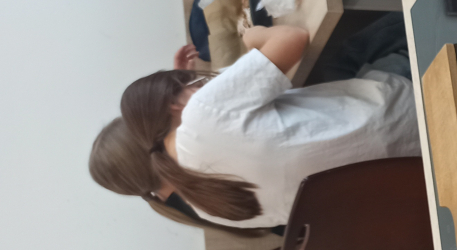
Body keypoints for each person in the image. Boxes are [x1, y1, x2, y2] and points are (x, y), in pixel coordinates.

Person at [89, 19, 420, 230]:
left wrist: (183, 93)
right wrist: (253, 36)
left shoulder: (208, 208)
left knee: (337, 69)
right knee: (361, 43)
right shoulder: (201, 117)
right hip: (409, 116)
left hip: (409, 188)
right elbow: (293, 37)